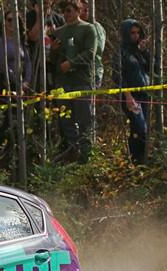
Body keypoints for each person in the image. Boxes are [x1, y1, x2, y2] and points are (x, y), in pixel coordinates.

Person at [50, 0, 97, 163]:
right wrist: (54, 51)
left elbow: (90, 53)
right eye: (64, 11)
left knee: (84, 119)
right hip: (63, 82)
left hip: (81, 80)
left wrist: (71, 63)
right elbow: (52, 60)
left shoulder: (88, 29)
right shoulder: (59, 32)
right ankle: (73, 152)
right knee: (66, 121)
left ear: (78, 11)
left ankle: (87, 156)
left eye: (69, 11)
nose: (67, 14)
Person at [0, 11, 31, 169]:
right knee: (8, 118)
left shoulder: (21, 41)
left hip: (22, 86)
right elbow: (3, 64)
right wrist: (16, 84)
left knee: (19, 120)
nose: (11, 23)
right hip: (6, 84)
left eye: (15, 20)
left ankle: (12, 155)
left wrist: (26, 81)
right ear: (4, 22)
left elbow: (27, 62)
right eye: (9, 20)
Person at [113, 18, 152, 164]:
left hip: (145, 94)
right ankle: (136, 160)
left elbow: (152, 69)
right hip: (130, 97)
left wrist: (146, 52)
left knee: (142, 129)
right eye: (132, 33)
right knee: (140, 128)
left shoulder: (141, 51)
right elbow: (117, 75)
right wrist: (128, 95)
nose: (136, 35)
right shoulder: (121, 52)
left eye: (138, 32)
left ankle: (139, 160)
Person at [79, 0, 105, 89]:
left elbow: (97, 49)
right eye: (83, 9)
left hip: (93, 72)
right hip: (75, 74)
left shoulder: (96, 27)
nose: (85, 11)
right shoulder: (74, 25)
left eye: (87, 9)